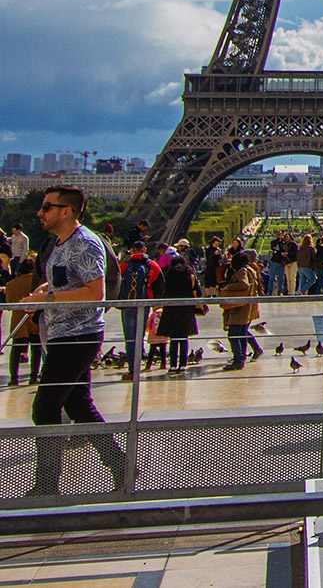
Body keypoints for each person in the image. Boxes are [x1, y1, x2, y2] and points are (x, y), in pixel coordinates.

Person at [26, 186, 127, 494]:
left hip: (78, 336)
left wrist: (49, 299)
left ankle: (46, 485)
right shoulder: (59, 244)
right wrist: (44, 292)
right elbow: (62, 281)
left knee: (45, 408)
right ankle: (122, 466)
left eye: (46, 207)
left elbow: (96, 293)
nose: (40, 213)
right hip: (63, 334)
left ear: (66, 211)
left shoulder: (84, 244)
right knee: (79, 405)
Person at [115, 239, 161, 379]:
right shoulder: (152, 265)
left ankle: (131, 369)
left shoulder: (124, 266)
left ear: (132, 251)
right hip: (144, 304)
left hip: (128, 305)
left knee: (129, 337)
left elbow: (116, 284)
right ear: (145, 250)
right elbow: (160, 285)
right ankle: (138, 365)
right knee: (139, 336)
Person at [155, 251, 200, 373]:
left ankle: (173, 364)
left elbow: (162, 292)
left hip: (171, 310)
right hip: (186, 310)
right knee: (183, 338)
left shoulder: (168, 276)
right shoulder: (190, 276)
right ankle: (183, 364)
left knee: (173, 339)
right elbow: (198, 292)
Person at [218, 252, 264, 369]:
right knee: (242, 333)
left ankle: (238, 359)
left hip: (240, 308)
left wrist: (228, 287)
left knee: (233, 334)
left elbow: (244, 284)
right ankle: (241, 358)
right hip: (247, 306)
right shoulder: (250, 269)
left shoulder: (243, 271)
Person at [7, 252, 41, 386]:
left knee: (15, 350)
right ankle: (33, 377)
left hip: (18, 322)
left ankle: (14, 378)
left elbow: (9, 303)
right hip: (34, 321)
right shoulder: (38, 284)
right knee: (36, 349)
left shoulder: (11, 285)